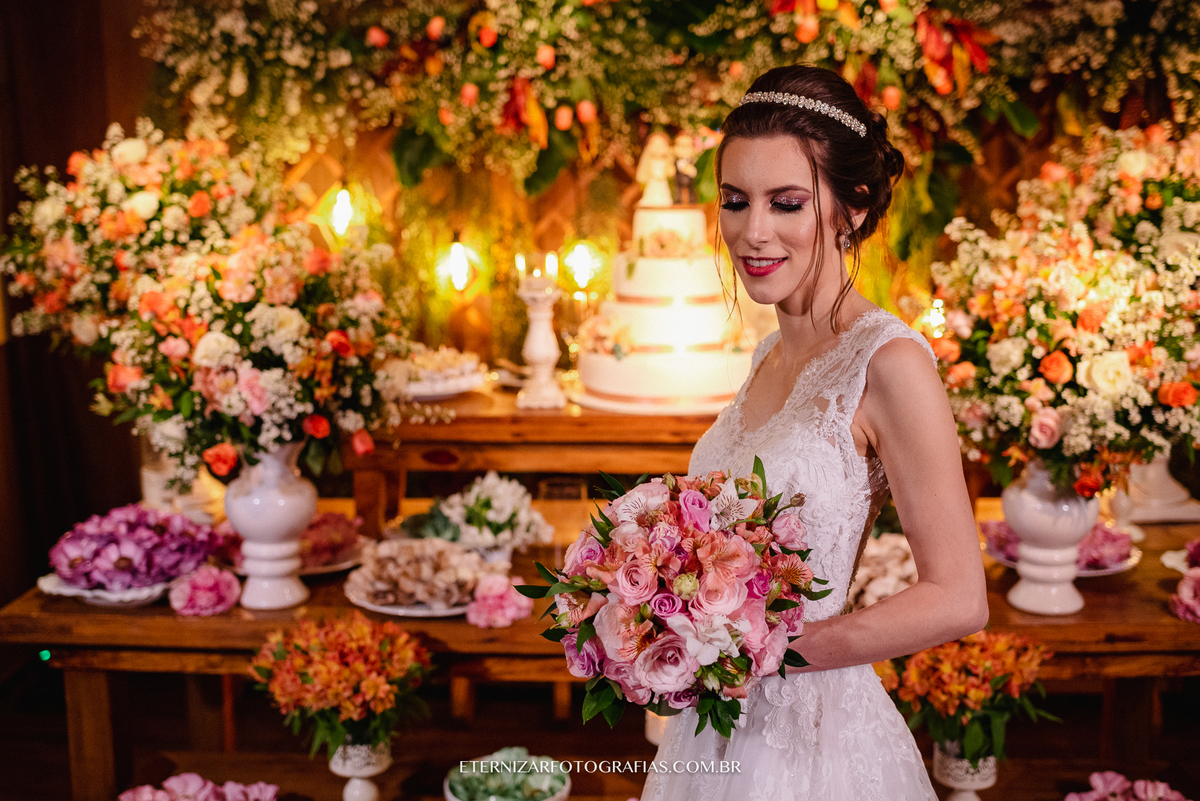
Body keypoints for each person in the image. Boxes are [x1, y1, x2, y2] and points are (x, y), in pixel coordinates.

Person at [641, 65, 988, 800]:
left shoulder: (889, 364)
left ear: (852, 208)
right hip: (715, 731)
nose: (752, 230)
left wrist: (769, 652)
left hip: (816, 744)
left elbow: (960, 596)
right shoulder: (772, 351)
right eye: (735, 201)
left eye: (786, 202)